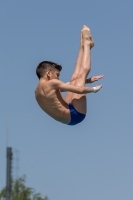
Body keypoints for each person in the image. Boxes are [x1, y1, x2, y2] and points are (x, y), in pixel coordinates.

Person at [35, 25, 104, 125]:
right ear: (48, 73)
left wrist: (87, 81)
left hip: (68, 112)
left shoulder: (37, 91)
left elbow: (66, 87)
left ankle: (82, 44)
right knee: (81, 75)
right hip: (76, 114)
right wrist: (94, 89)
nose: (58, 78)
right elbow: (79, 89)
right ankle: (88, 45)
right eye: (57, 75)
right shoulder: (52, 83)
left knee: (75, 78)